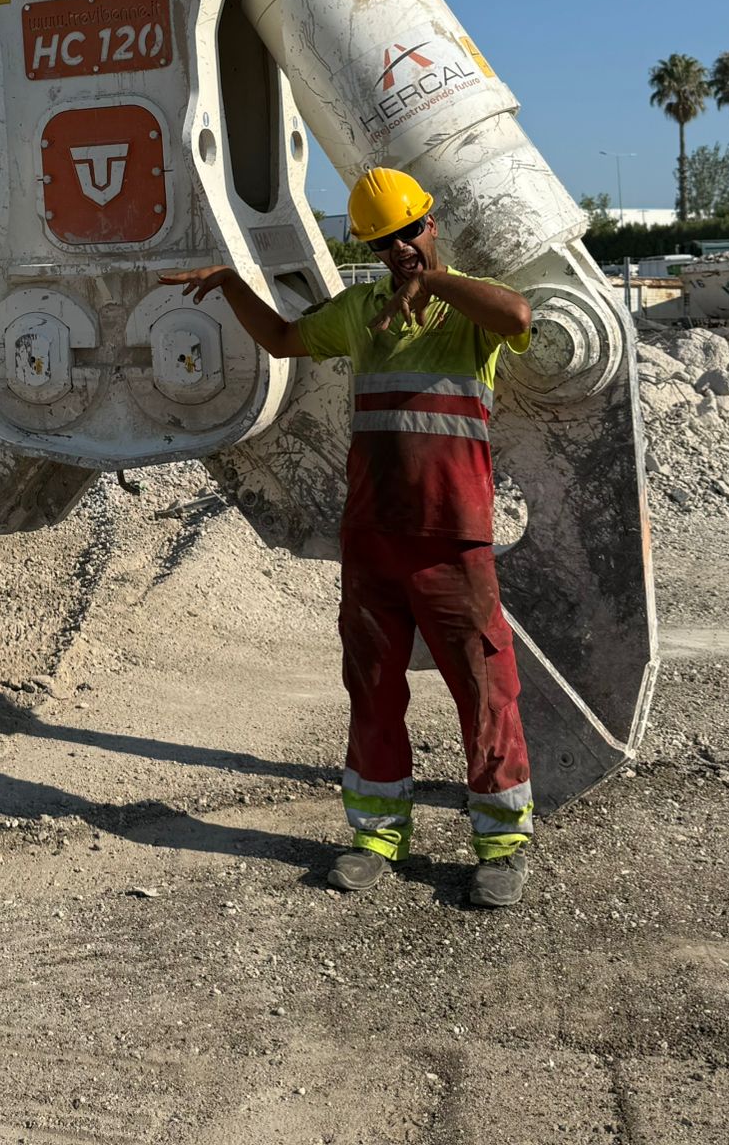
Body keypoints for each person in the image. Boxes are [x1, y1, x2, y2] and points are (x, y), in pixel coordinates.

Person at [160, 167, 536, 910]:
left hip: (452, 541)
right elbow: (281, 336)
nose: (399, 249)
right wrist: (233, 283)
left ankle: (500, 843)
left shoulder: (466, 313)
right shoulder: (364, 312)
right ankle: (375, 836)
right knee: (371, 689)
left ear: (431, 225)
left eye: (408, 233)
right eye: (382, 240)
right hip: (372, 539)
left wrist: (432, 285)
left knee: (484, 689)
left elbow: (519, 316)